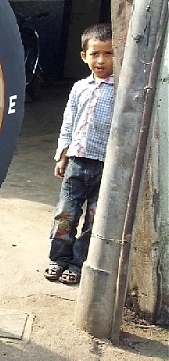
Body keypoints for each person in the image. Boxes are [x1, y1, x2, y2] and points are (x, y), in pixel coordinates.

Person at [44, 23, 114, 285]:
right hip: (76, 162)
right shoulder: (79, 88)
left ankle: (78, 263)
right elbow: (69, 123)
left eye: (109, 53)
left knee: (94, 219)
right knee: (65, 214)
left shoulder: (122, 90)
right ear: (83, 56)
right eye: (95, 53)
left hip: (106, 167)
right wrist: (62, 156)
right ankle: (58, 259)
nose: (101, 60)